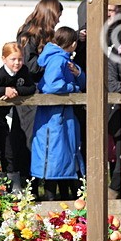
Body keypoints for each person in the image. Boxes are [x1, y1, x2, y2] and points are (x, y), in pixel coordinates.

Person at [31, 27, 85, 199]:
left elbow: (80, 81)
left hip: (62, 116)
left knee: (64, 159)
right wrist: (73, 88)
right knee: (55, 160)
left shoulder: (63, 59)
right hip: (55, 118)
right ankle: (52, 203)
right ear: (73, 44)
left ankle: (65, 203)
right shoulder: (57, 59)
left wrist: (78, 73)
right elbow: (51, 85)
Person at [0, 42, 36, 188]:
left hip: (3, 118)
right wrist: (3, 90)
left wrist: (15, 91)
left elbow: (31, 88)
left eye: (20, 59)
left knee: (9, 152)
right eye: (13, 59)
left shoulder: (23, 71)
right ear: (4, 59)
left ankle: (13, 187)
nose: (17, 63)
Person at [14, 0, 63, 153]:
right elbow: (30, 66)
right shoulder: (28, 35)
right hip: (29, 92)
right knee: (28, 136)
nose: (58, 22)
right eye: (57, 17)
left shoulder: (41, 34)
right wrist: (52, 58)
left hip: (38, 92)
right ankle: (24, 174)